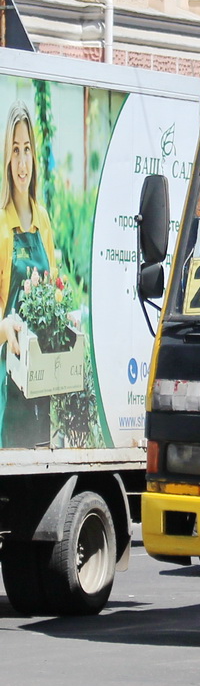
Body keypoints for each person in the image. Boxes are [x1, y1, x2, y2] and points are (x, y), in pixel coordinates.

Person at [0, 101, 57, 448]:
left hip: (39, 382)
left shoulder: (44, 221)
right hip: (7, 385)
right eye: (15, 150)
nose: (23, 162)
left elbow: (51, 295)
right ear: (7, 157)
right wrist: (5, 327)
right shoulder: (1, 226)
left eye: (27, 150)